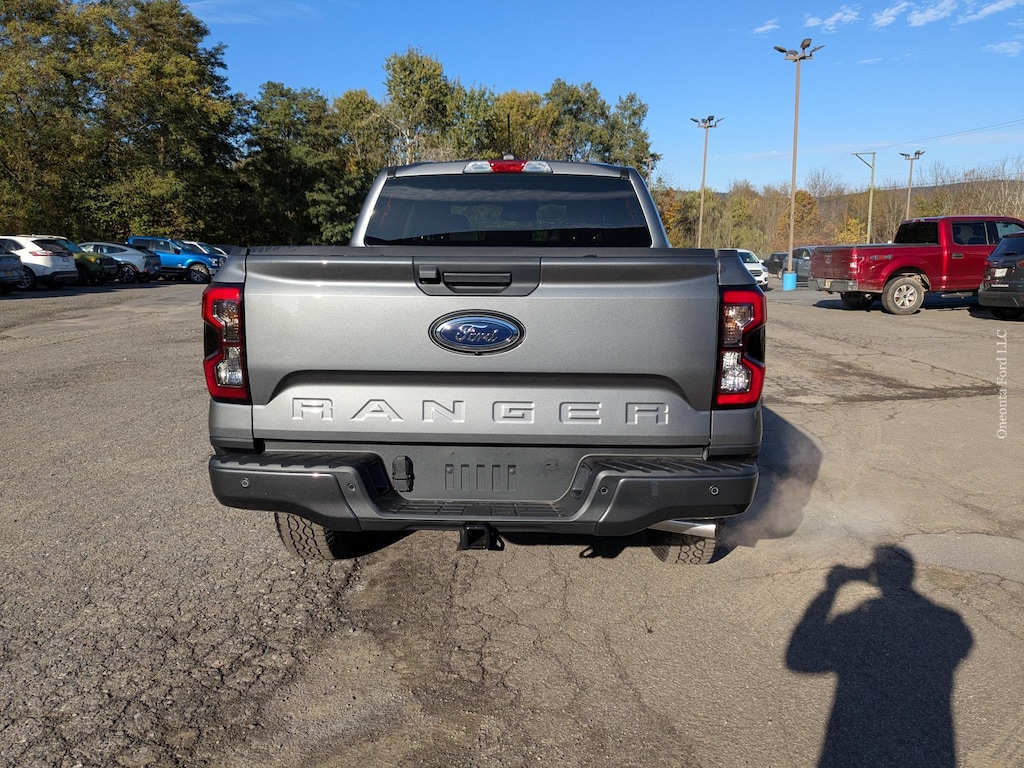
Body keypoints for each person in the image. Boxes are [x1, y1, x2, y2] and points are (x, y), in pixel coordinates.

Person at [787, 545, 973, 768]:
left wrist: (832, 588)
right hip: (930, 737)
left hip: (854, 741)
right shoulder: (950, 620)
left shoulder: (855, 621)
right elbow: (962, 645)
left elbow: (800, 659)